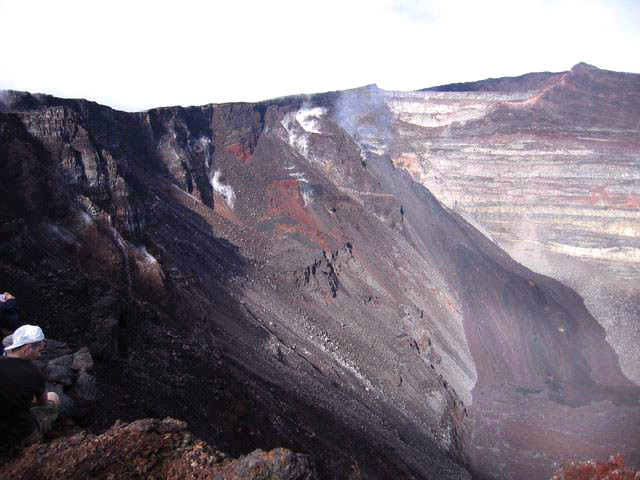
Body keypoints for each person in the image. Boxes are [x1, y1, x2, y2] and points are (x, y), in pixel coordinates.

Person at [0, 325, 60, 450]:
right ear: (28, 347)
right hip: (23, 435)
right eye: (39, 351)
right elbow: (42, 401)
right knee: (53, 397)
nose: (39, 356)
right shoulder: (33, 372)